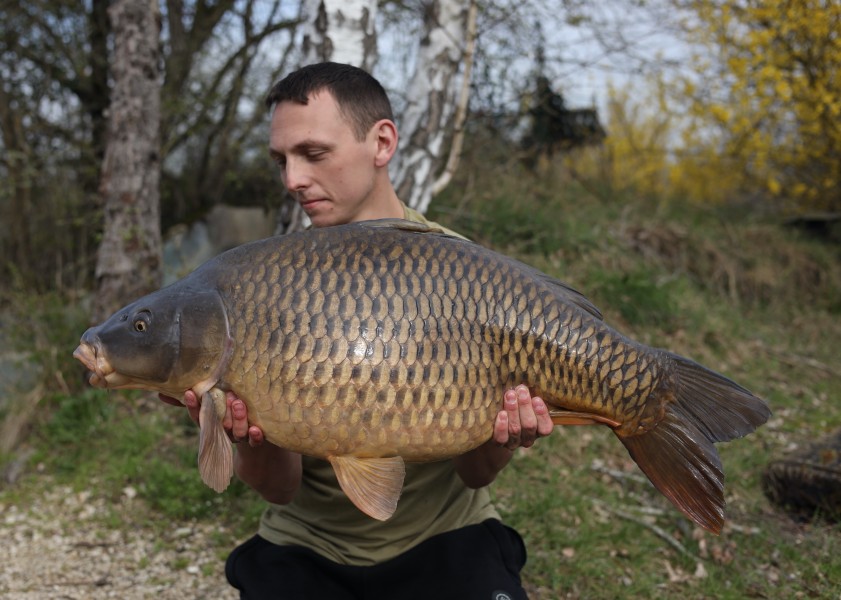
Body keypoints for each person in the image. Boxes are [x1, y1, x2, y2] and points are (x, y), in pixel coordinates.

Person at [162, 62, 554, 600]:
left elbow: (475, 475)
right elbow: (280, 488)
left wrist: (508, 434)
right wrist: (240, 434)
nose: (292, 180)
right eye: (281, 160)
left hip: (446, 531)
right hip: (306, 541)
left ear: (382, 142)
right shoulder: (262, 282)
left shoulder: (467, 274)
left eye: (314, 154)